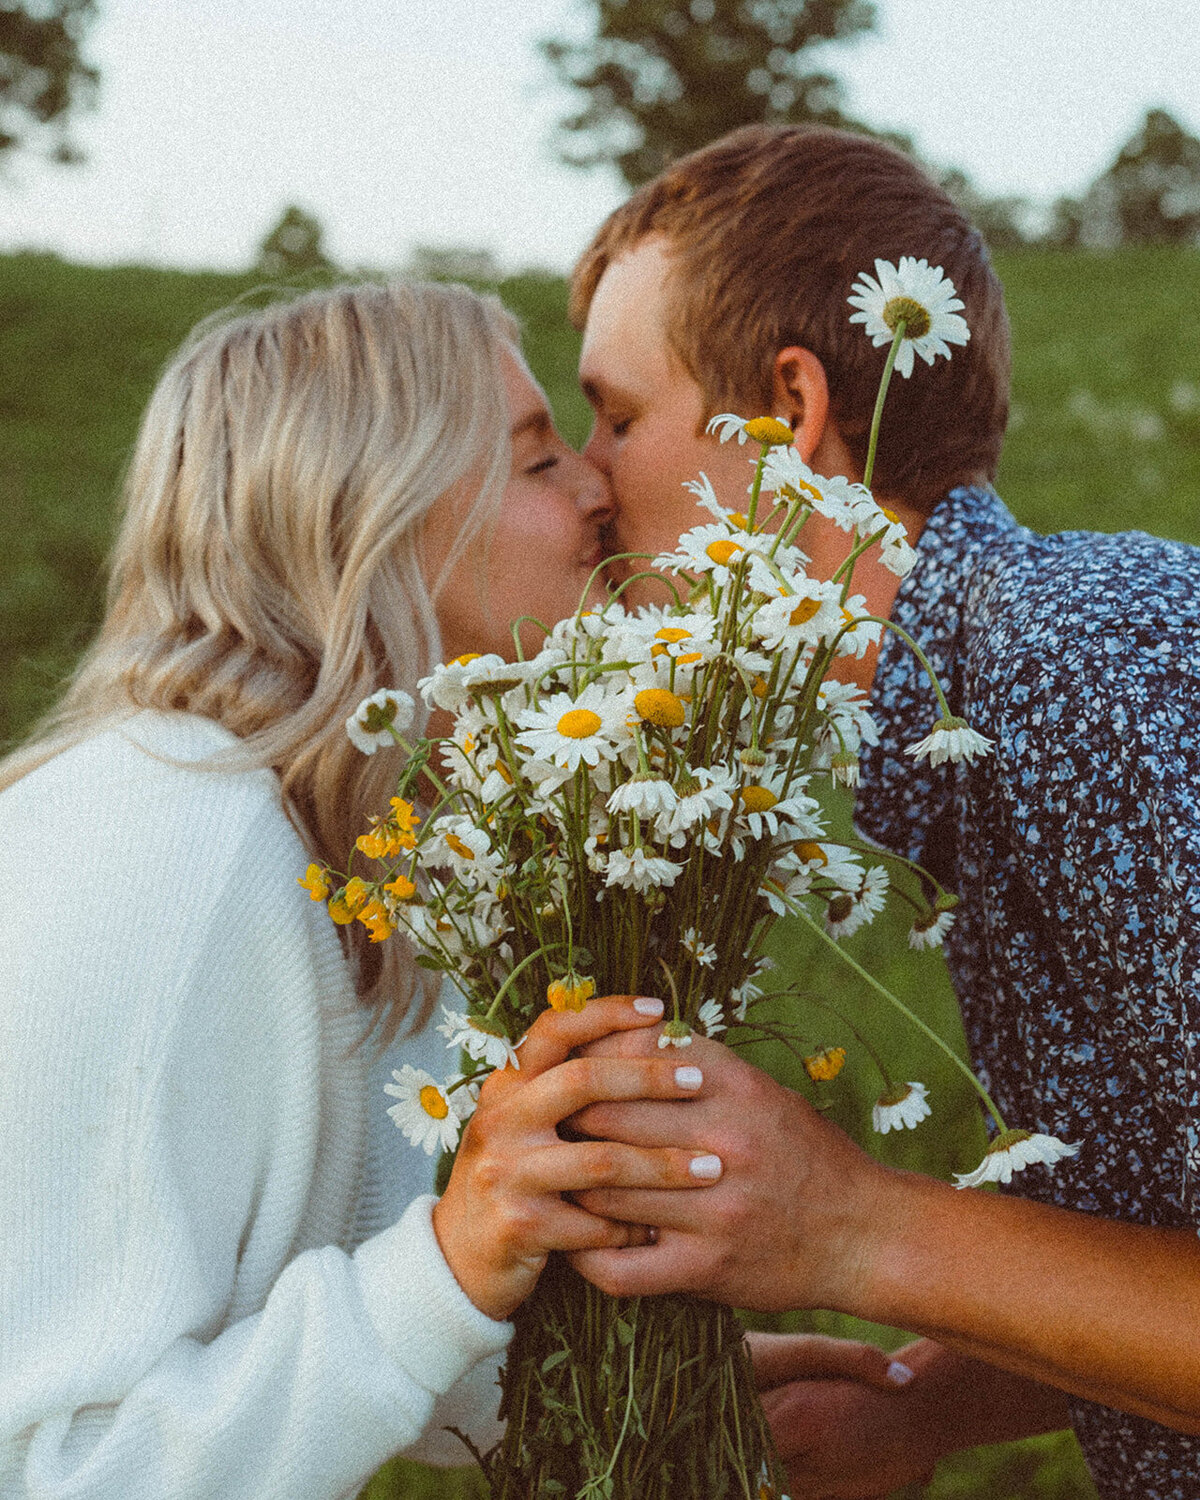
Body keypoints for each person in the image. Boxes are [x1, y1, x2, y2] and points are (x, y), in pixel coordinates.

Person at [0, 280, 724, 1499]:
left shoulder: (344, 837)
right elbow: (56, 1465)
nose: (598, 488)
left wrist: (685, 1380)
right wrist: (445, 1266)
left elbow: (296, 1296)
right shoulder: (181, 850)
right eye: (538, 457)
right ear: (375, 518)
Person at [560, 125, 1200, 1500]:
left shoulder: (1092, 673)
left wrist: (851, 1228)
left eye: (618, 418)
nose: (589, 487)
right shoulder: (983, 719)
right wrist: (916, 1408)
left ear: (786, 411)